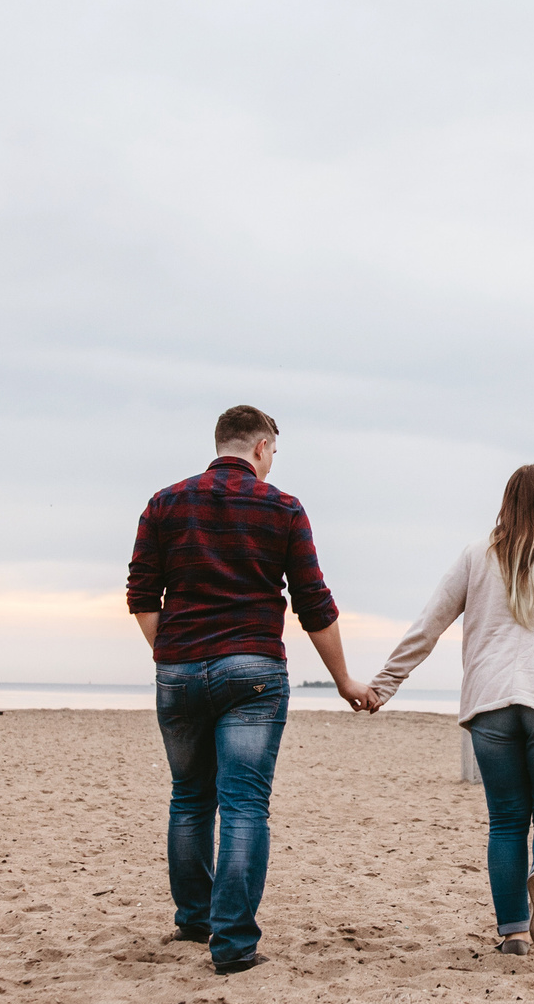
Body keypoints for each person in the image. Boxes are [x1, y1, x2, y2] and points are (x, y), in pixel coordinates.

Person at [127, 406, 369, 975]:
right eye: (274, 452)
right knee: (244, 804)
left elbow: (141, 594)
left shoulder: (164, 503)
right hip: (253, 672)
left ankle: (194, 919)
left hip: (179, 669)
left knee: (190, 797)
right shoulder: (282, 507)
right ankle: (233, 944)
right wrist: (343, 680)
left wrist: (174, 653)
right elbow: (314, 604)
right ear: (261, 447)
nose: (272, 462)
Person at [361, 465, 534, 956]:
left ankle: (514, 935)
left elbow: (429, 623)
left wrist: (384, 685)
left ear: (506, 502)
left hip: (491, 703)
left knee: (506, 822)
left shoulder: (476, 556)